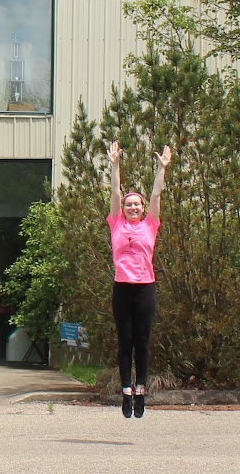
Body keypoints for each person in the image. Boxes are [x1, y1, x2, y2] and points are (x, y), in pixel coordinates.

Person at [106, 140, 172, 419]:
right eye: (129, 204)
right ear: (123, 208)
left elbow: (156, 195)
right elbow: (114, 190)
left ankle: (141, 390)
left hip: (145, 288)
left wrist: (161, 169)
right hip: (122, 288)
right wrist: (115, 165)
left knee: (142, 341)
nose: (133, 207)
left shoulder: (150, 225)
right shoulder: (116, 222)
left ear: (143, 209)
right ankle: (126, 391)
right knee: (126, 341)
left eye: (137, 204)